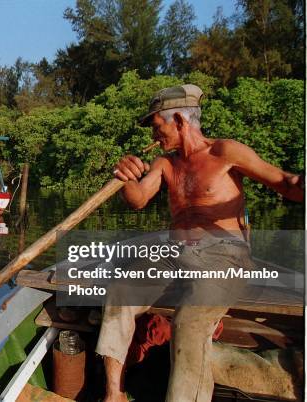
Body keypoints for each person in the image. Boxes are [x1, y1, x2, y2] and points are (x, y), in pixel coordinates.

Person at [97, 84, 304, 402]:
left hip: (226, 257)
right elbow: (138, 199)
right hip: (174, 253)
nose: (155, 137)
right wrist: (125, 177)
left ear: (178, 120)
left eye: (157, 127)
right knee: (121, 291)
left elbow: (287, 184)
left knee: (189, 321)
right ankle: (114, 394)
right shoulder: (165, 163)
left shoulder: (225, 152)